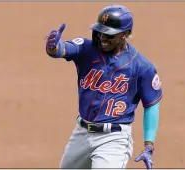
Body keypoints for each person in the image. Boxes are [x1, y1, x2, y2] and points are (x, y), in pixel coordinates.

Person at [45, 4, 163, 169]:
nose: (102, 37)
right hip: (81, 134)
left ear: (125, 34)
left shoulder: (141, 66)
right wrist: (53, 47)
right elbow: (64, 49)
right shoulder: (86, 49)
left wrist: (148, 145)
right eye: (100, 32)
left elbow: (151, 104)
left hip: (114, 139)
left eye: (109, 34)